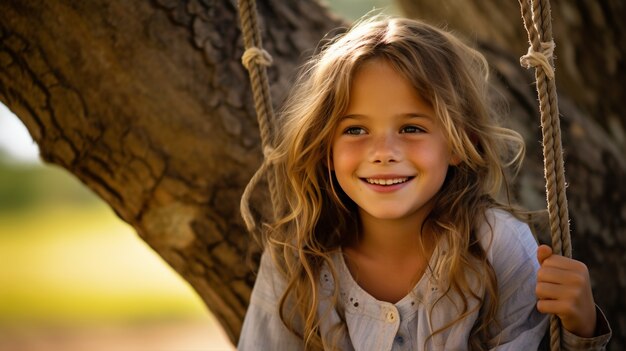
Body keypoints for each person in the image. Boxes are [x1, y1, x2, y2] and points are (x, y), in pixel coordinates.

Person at [238, 17, 611, 350]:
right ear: (324, 149)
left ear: (459, 145)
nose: (383, 152)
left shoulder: (498, 247)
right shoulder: (297, 256)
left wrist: (581, 329)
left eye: (411, 128)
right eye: (355, 129)